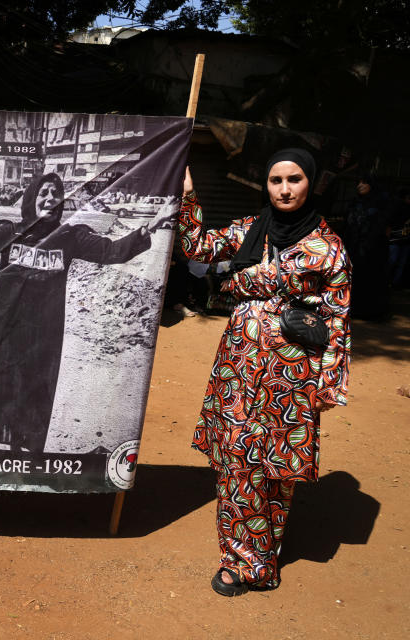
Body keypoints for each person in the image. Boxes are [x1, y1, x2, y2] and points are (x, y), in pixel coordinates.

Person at [176, 149, 351, 596]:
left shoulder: (328, 249)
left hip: (289, 377)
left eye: (294, 179)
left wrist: (327, 384)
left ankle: (260, 553)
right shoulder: (251, 230)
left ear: (310, 183)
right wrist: (189, 197)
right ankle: (245, 563)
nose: (285, 189)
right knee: (237, 461)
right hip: (238, 367)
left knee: (272, 470)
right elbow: (198, 247)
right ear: (266, 185)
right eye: (276, 180)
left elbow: (336, 320)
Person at [0, 173, 174, 453]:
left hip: (43, 340)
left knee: (30, 398)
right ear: (31, 198)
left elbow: (112, 251)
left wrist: (152, 225)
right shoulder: (10, 233)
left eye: (56, 193)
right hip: (7, 331)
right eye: (44, 192)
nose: (51, 198)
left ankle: (17, 463)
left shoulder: (70, 237)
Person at [344, 175, 390, 319]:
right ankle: (353, 309)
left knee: (371, 279)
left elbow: (381, 226)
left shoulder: (380, 203)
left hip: (373, 249)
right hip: (354, 248)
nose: (360, 185)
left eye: (364, 182)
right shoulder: (354, 202)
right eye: (358, 182)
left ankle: (370, 311)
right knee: (353, 279)